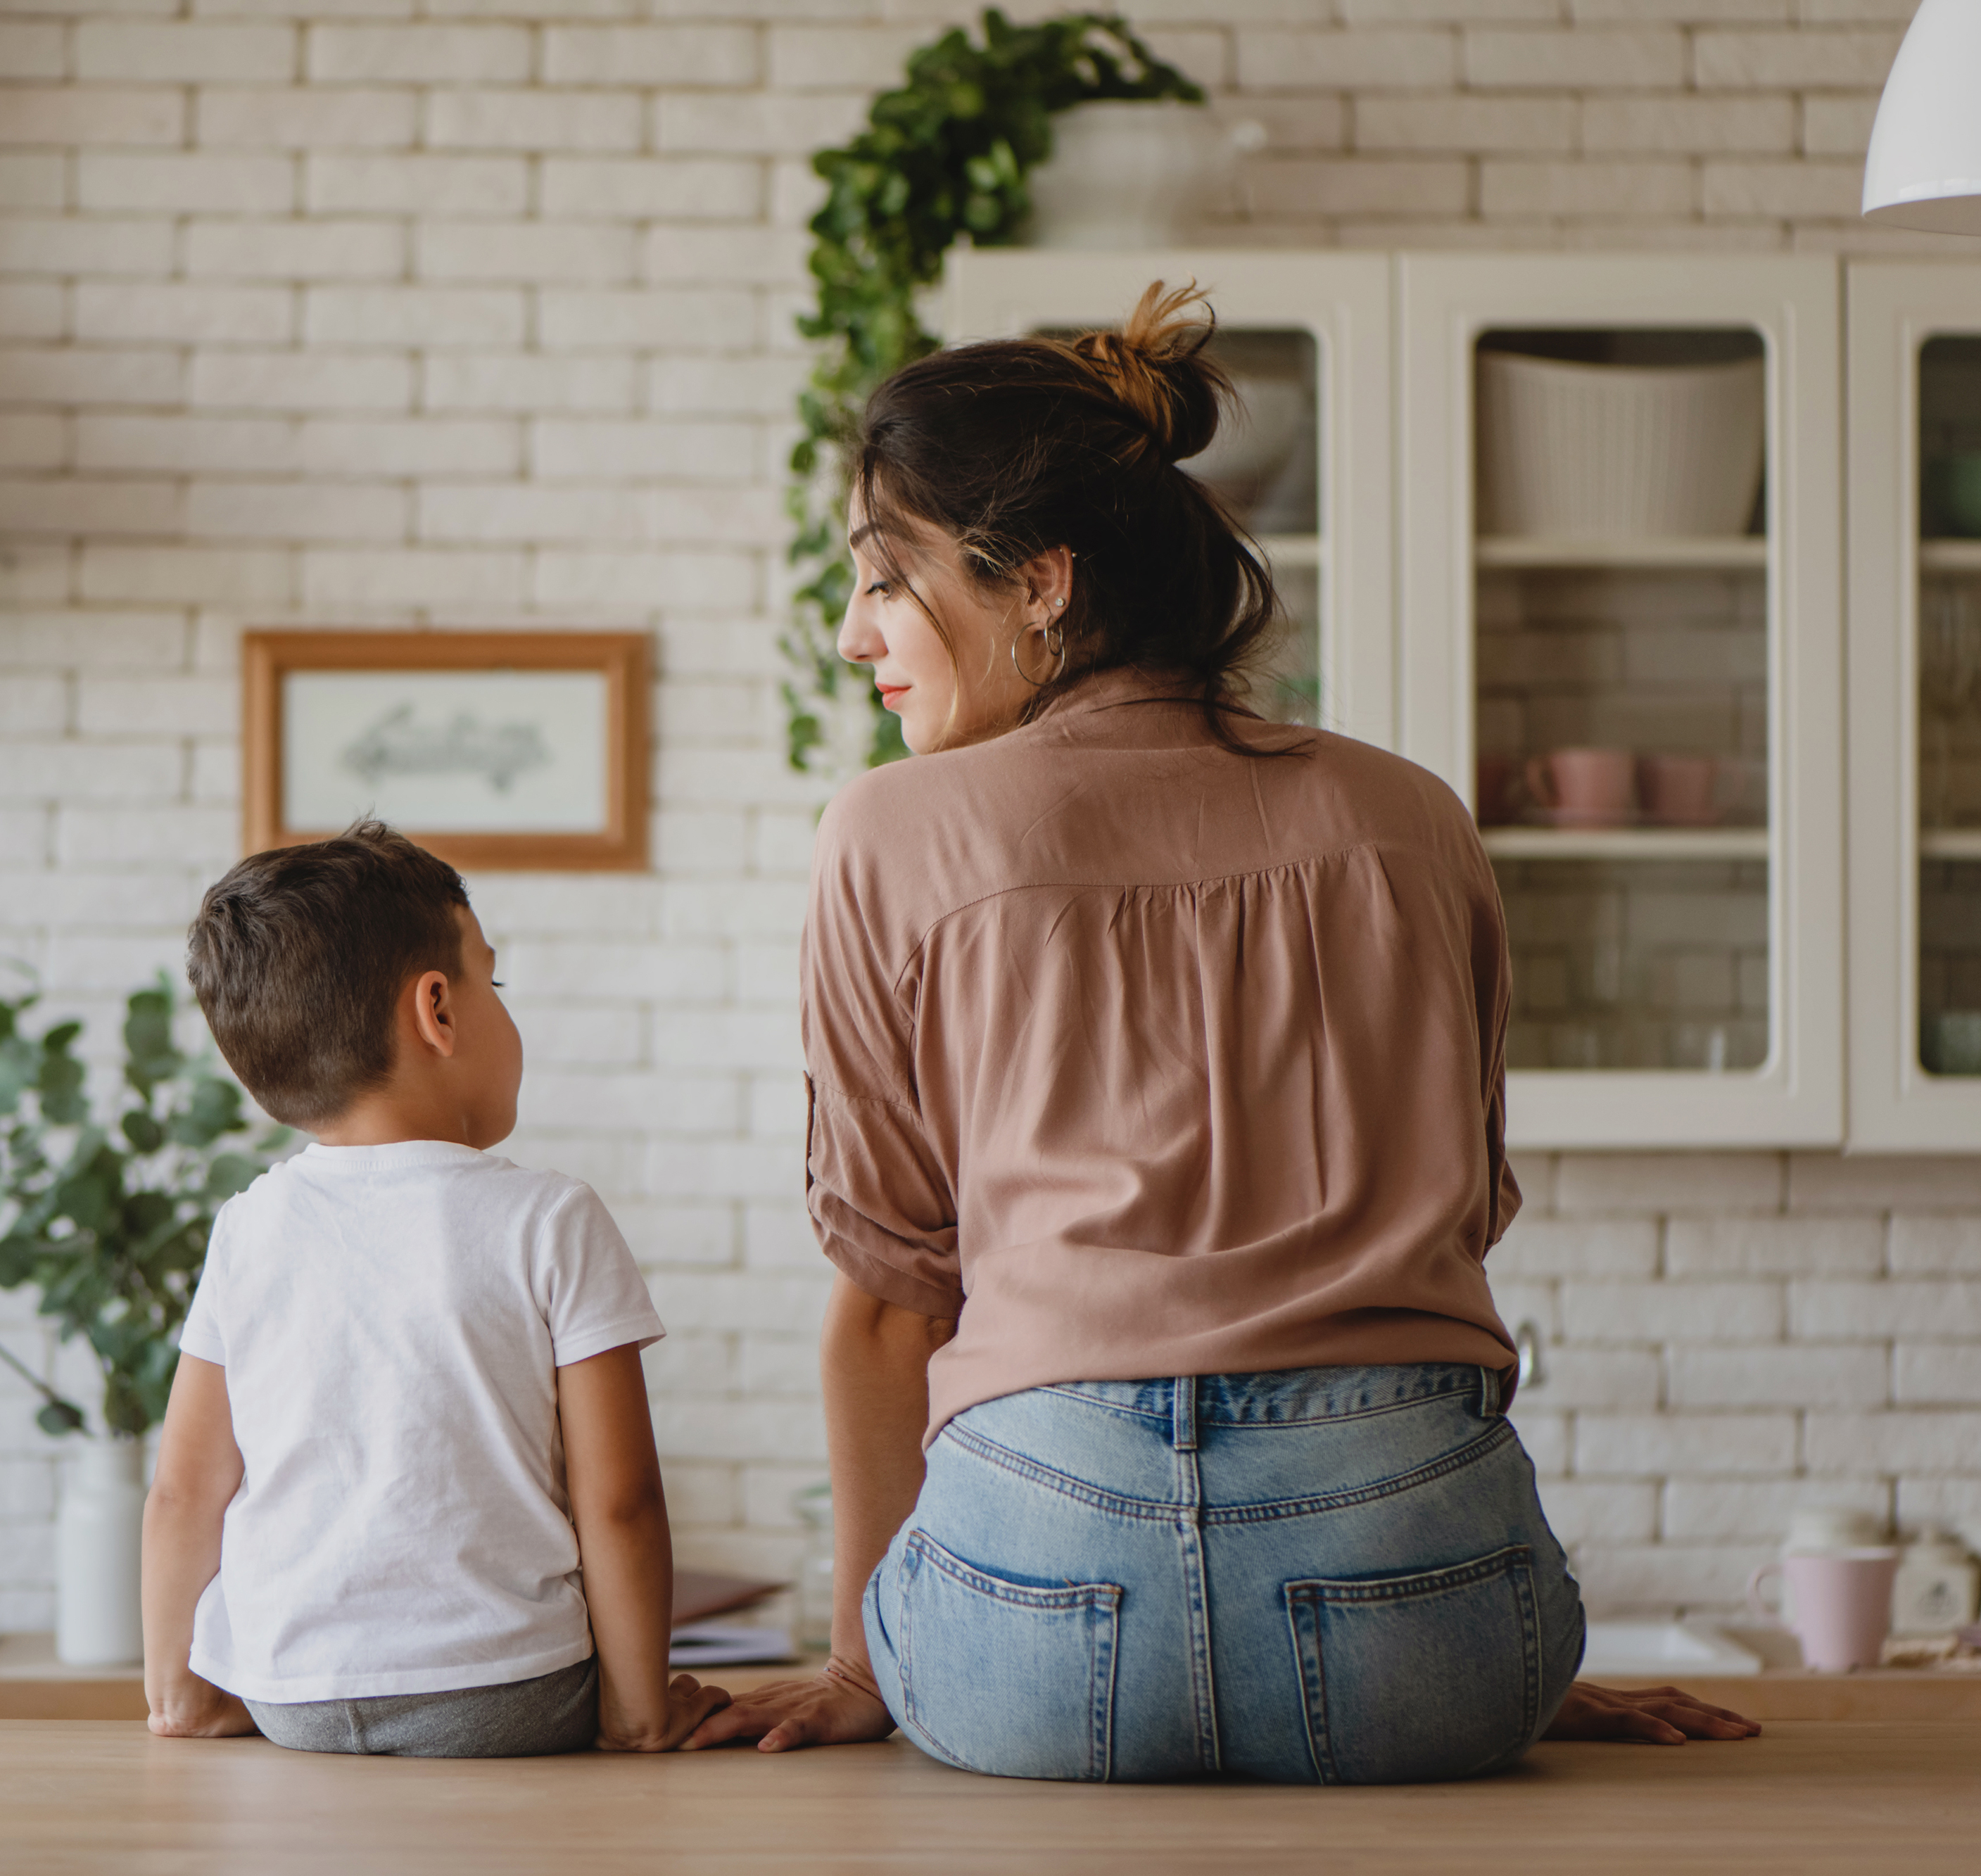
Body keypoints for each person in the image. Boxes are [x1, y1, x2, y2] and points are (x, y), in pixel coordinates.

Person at [687, 285, 1760, 1780]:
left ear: (1040, 581)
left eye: (886, 576)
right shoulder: (1408, 816)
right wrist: (1467, 1641)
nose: (855, 625)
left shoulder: (887, 832)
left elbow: (887, 1301)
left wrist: (863, 1664)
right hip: (1427, 1621)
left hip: (1034, 1631)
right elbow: (1458, 1223)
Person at [140, 824, 729, 1757]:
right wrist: (640, 1710)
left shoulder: (248, 1228)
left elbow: (184, 1489)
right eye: (493, 980)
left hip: (296, 1693)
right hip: (506, 1693)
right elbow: (618, 1498)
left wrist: (182, 1694)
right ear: (439, 1011)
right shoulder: (551, 1218)